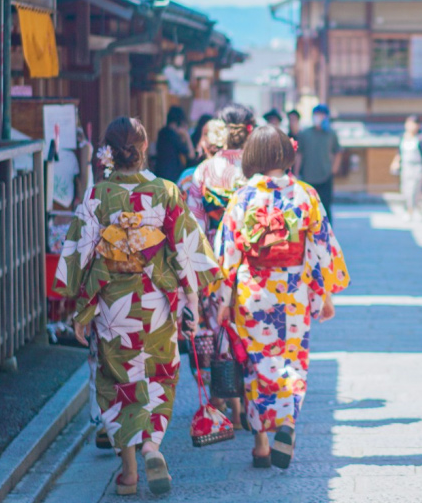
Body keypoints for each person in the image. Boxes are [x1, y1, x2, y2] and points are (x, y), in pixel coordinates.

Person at [53, 117, 219, 497]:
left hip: (114, 302)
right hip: (158, 299)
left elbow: (79, 254)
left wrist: (79, 308)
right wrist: (191, 296)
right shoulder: (165, 191)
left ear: (110, 152)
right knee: (160, 373)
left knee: (117, 379)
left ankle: (129, 473)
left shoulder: (97, 195)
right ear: (144, 150)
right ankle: (151, 447)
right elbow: (184, 247)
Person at [217, 126, 350, 469]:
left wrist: (221, 298)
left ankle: (261, 444)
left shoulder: (243, 197)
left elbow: (227, 252)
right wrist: (325, 295)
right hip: (292, 291)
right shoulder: (305, 195)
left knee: (256, 363)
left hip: (253, 291)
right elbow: (322, 248)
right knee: (291, 360)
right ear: (288, 153)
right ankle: (286, 426)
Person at [186, 103, 256, 428]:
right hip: (253, 262)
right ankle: (248, 405)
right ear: (249, 130)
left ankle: (223, 401)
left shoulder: (204, 171)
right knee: (251, 331)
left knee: (220, 331)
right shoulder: (257, 170)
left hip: (215, 259)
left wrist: (194, 278)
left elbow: (194, 228)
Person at [295, 104, 342, 221]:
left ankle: (327, 235)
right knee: (308, 208)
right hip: (308, 177)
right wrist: (296, 173)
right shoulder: (305, 134)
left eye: (320, 115)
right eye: (316, 115)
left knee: (325, 208)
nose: (318, 117)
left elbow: (338, 151)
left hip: (325, 176)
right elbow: (299, 154)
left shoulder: (331, 134)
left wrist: (334, 169)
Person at [391, 116, 422, 220]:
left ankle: (413, 210)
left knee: (415, 190)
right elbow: (399, 153)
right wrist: (395, 162)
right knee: (406, 189)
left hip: (418, 166)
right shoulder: (402, 138)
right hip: (406, 166)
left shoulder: (420, 139)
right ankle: (413, 209)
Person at [154, 105, 195, 182]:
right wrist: (186, 136)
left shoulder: (162, 132)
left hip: (160, 173)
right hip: (172, 175)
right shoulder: (173, 135)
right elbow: (191, 155)